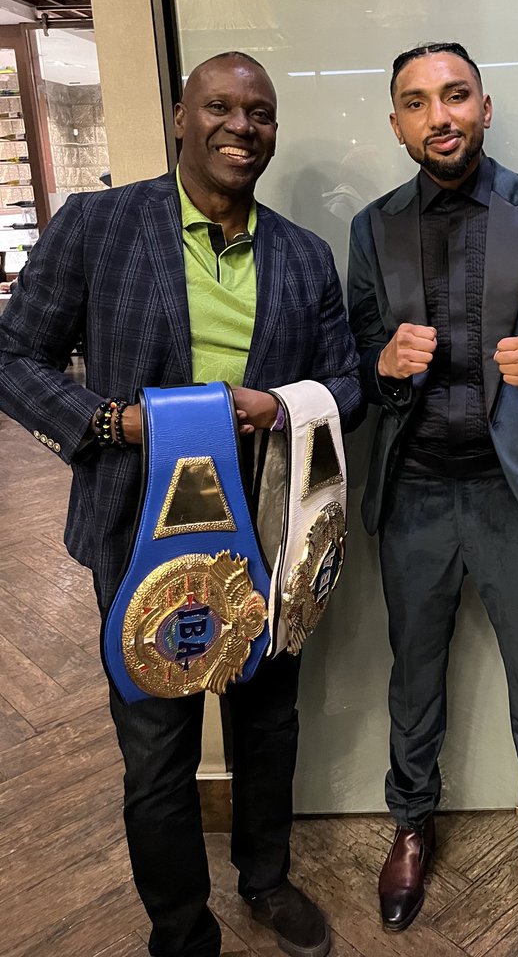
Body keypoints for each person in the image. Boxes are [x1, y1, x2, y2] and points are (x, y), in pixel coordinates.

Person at [0, 52, 363, 957]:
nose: (243, 126)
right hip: (138, 525)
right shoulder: (98, 226)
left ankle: (267, 880)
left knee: (267, 723)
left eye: (261, 113)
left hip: (269, 529)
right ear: (178, 118)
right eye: (221, 107)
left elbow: (347, 380)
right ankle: (179, 925)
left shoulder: (303, 253)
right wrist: (113, 423)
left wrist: (280, 406)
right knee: (158, 743)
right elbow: (14, 360)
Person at [347, 42, 518, 952]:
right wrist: (383, 368)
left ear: (486, 109)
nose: (438, 115)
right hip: (412, 493)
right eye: (416, 102)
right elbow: (363, 373)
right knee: (412, 679)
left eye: (455, 96)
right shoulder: (370, 229)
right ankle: (410, 826)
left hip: (512, 489)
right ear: (398, 124)